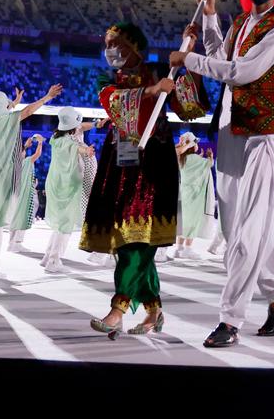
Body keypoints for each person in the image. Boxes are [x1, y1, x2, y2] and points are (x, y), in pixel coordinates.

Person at [173, 0, 274, 348]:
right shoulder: (242, 24)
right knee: (239, 231)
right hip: (230, 131)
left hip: (264, 136)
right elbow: (223, 57)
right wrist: (211, 20)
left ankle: (230, 320)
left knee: (248, 234)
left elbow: (242, 72)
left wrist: (186, 59)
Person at [85, 21, 208, 336]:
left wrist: (187, 63)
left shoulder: (160, 70)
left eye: (117, 43)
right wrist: (152, 92)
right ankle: (153, 310)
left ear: (135, 46)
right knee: (127, 240)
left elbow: (190, 108)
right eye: (107, 43)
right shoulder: (107, 77)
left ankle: (118, 308)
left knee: (139, 239)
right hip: (120, 163)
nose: (110, 49)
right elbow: (113, 104)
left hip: (154, 164)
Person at [0, 85, 62, 280]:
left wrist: (13, 102)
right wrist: (46, 97)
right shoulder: (5, 122)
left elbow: (4, 112)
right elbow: (27, 111)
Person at [42, 106, 93, 274]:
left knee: (59, 223)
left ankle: (48, 255)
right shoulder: (69, 142)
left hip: (55, 183)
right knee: (65, 224)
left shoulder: (55, 138)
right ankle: (53, 260)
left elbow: (81, 127)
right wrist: (88, 150)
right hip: (68, 185)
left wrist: (97, 124)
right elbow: (79, 148)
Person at [175, 132, 216, 259]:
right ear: (192, 145)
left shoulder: (181, 159)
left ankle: (179, 248)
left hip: (183, 192)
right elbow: (209, 164)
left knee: (183, 221)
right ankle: (187, 249)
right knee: (192, 221)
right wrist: (210, 156)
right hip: (195, 195)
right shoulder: (198, 160)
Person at [6, 133, 46, 252]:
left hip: (14, 195)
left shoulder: (12, 164)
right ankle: (17, 243)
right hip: (24, 196)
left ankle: (11, 243)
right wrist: (40, 142)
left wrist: (26, 146)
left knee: (15, 217)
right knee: (22, 217)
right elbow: (37, 154)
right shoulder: (27, 161)